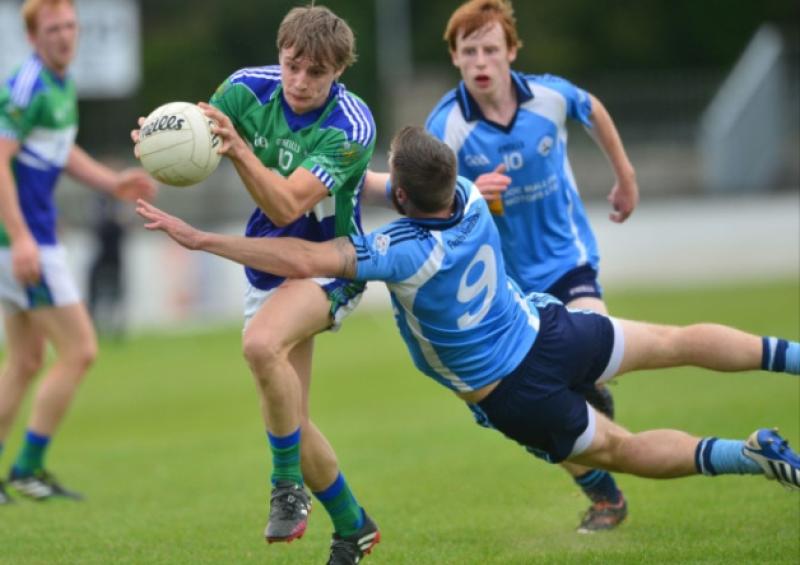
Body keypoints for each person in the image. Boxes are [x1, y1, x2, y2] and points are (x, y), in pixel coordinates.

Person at [137, 126, 800, 535]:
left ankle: (748, 454)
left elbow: (305, 258)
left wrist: (202, 238)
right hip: (555, 328)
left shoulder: (399, 249)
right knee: (678, 340)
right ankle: (791, 356)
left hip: (516, 391)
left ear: (399, 195)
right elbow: (392, 183)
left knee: (622, 451)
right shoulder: (469, 199)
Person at [365, 0, 639, 532]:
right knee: (545, 414)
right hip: (504, 287)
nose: (481, 60)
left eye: (491, 48)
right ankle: (605, 497)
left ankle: (590, 398)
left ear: (512, 51)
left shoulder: (551, 98)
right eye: (470, 51)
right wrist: (470, 191)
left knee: (594, 352)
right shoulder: (446, 124)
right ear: (455, 58)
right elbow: (430, 199)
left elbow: (594, 110)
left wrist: (624, 176)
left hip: (567, 260)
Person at [132, 6, 379, 564]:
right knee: (296, 417)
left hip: (331, 261)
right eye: (292, 65)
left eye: (316, 72)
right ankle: (353, 526)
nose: (299, 81)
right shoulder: (245, 89)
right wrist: (155, 141)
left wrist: (238, 148)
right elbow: (193, 133)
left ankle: (285, 487)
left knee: (260, 344)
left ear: (338, 72)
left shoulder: (352, 124)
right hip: (269, 259)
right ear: (280, 54)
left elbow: (289, 201)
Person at [0, 0, 156, 505]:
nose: (65, 35)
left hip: (28, 240)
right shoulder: (26, 87)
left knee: (24, 361)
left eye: (70, 26)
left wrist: (113, 183)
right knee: (80, 349)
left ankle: (19, 470)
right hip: (23, 243)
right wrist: (21, 237)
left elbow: (60, 151)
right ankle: (26, 468)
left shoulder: (61, 83)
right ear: (33, 37)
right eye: (54, 28)